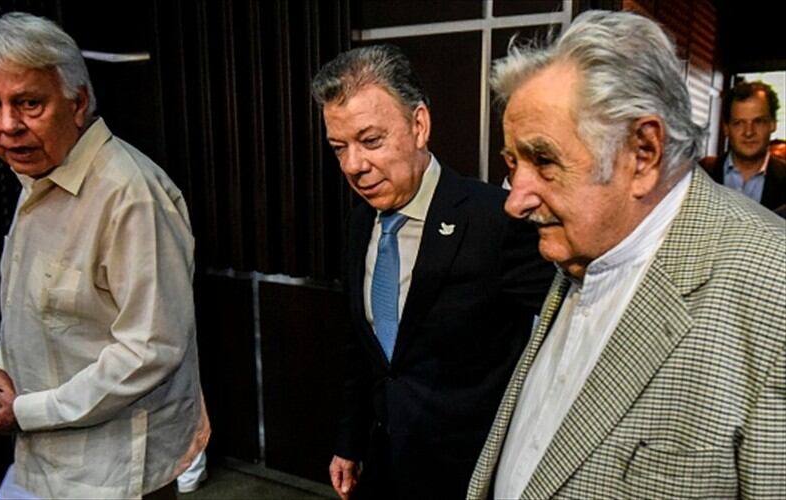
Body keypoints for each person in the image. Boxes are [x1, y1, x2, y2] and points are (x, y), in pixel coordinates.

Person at [468, 10, 785, 499]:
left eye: (544, 160)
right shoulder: (583, 243)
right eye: (514, 163)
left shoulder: (772, 289)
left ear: (643, 152)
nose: (515, 201)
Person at [0, 12, 206, 499]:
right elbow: (37, 314)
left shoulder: (130, 195)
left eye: (29, 103)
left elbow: (150, 350)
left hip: (113, 472)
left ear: (78, 102)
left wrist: (27, 411)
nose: (8, 125)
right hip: (42, 459)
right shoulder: (36, 178)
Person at [311, 45, 553, 499]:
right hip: (383, 463)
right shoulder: (359, 222)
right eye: (339, 148)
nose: (353, 166)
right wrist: (348, 442)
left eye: (371, 141)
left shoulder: (495, 221)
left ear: (419, 125)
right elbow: (362, 348)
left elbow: (566, 340)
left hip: (467, 475)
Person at [704, 81, 786, 214]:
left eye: (758, 121)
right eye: (738, 123)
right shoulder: (700, 174)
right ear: (726, 128)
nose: (748, 132)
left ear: (773, 124)